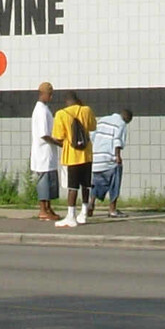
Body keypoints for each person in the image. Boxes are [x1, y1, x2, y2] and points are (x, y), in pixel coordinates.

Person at [52, 91, 97, 227]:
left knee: (72, 187)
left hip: (72, 156)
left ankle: (71, 216)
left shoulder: (61, 114)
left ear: (66, 101)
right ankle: (83, 213)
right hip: (87, 154)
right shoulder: (86, 110)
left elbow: (58, 136)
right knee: (85, 185)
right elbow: (93, 126)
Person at [90, 108, 133, 218]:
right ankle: (112, 209)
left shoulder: (102, 120)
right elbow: (117, 140)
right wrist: (118, 156)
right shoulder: (121, 124)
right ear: (127, 119)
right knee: (114, 184)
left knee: (96, 183)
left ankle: (90, 205)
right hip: (110, 159)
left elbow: (92, 136)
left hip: (96, 158)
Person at [30, 81, 59, 222]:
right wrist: (58, 143)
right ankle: (43, 209)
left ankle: (48, 208)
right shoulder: (40, 111)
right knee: (44, 182)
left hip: (48, 153)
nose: (51, 97)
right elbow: (44, 134)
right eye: (49, 94)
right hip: (43, 153)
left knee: (50, 182)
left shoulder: (44, 109)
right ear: (42, 94)